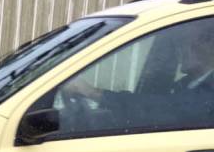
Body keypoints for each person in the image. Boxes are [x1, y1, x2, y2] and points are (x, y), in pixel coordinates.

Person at [59, 18, 214, 132]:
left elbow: (162, 111)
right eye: (179, 44)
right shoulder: (186, 84)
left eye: (186, 42)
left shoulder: (208, 91)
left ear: (209, 44)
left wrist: (93, 93)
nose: (179, 49)